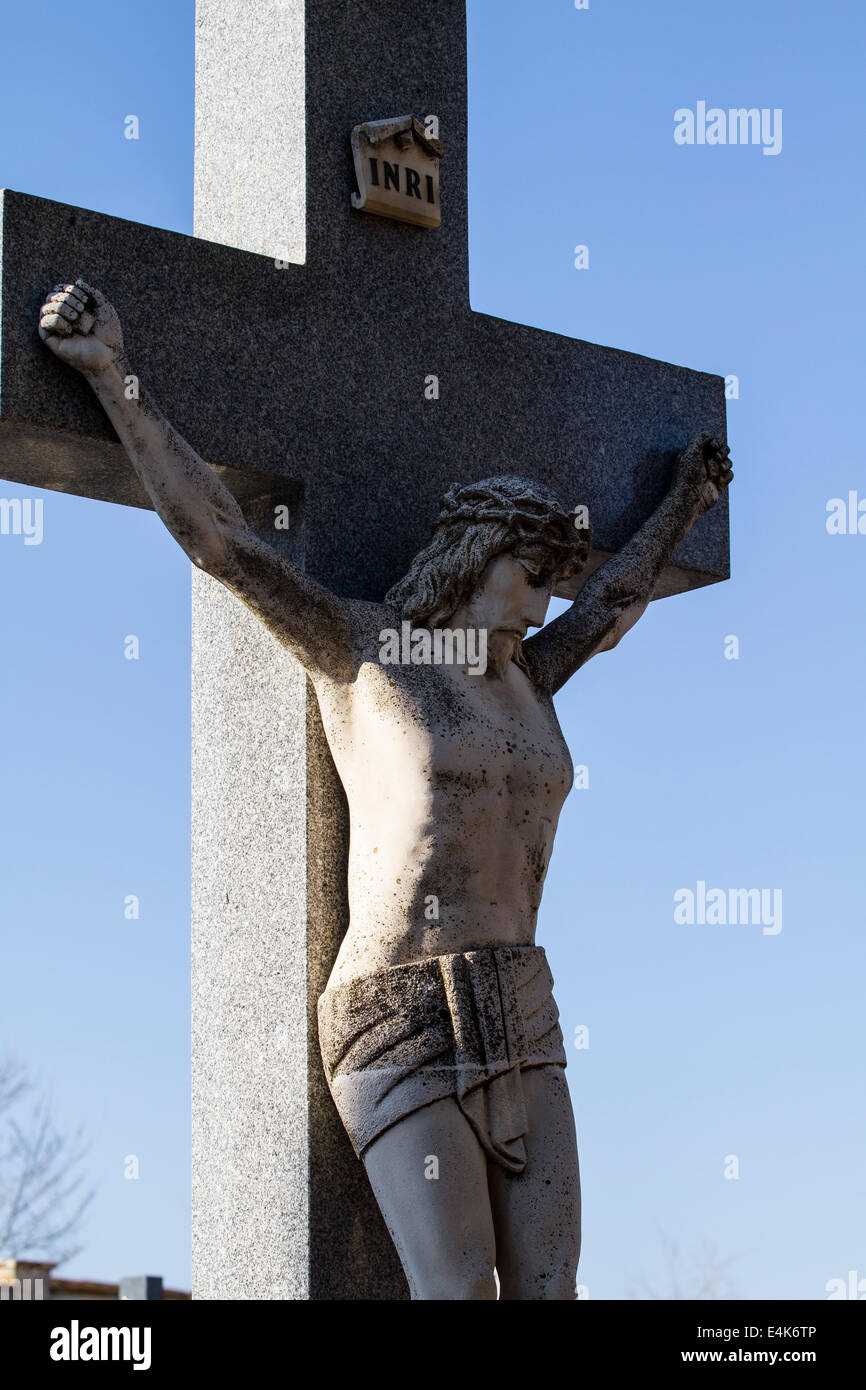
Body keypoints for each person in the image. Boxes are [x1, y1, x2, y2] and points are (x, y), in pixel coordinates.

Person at [39, 278, 732, 1300]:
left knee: (549, 1290)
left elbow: (617, 600)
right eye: (528, 576)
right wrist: (114, 375)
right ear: (472, 557)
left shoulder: (529, 679)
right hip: (396, 1006)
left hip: (519, 998)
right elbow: (221, 541)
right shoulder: (369, 653)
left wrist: (684, 501)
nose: (543, 607)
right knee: (453, 1292)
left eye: (550, 581)